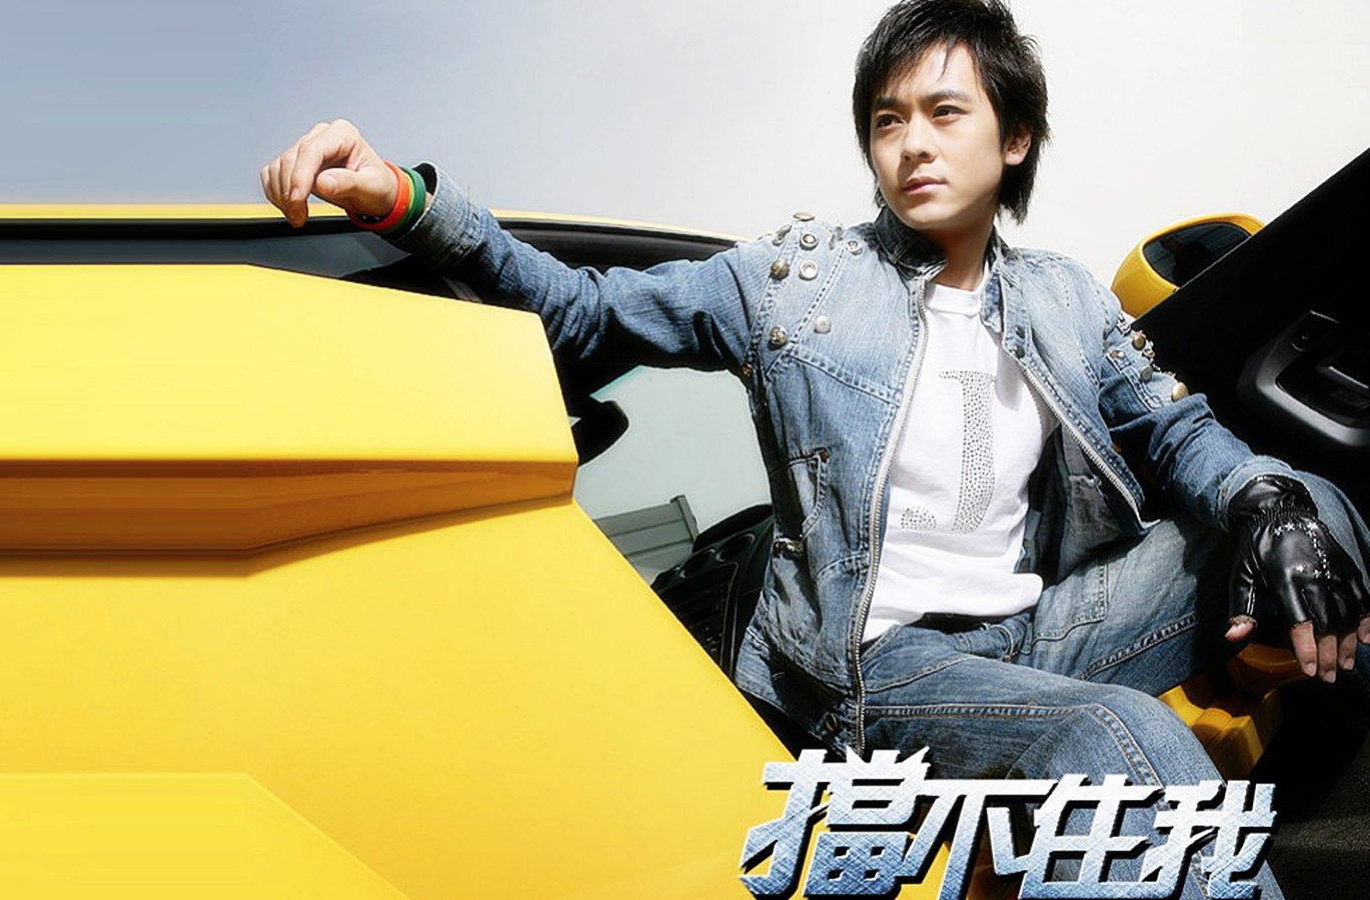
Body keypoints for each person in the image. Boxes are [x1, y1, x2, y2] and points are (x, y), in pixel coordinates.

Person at [263, 1, 1370, 895]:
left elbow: (1177, 430)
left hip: (1041, 632)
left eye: (945, 112)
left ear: (1014, 137)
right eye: (888, 120)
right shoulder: (795, 280)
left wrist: (1267, 507)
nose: (913, 142)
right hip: (876, 667)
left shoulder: (1065, 297)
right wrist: (407, 202)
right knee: (1115, 745)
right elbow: (588, 314)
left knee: (1315, 502)